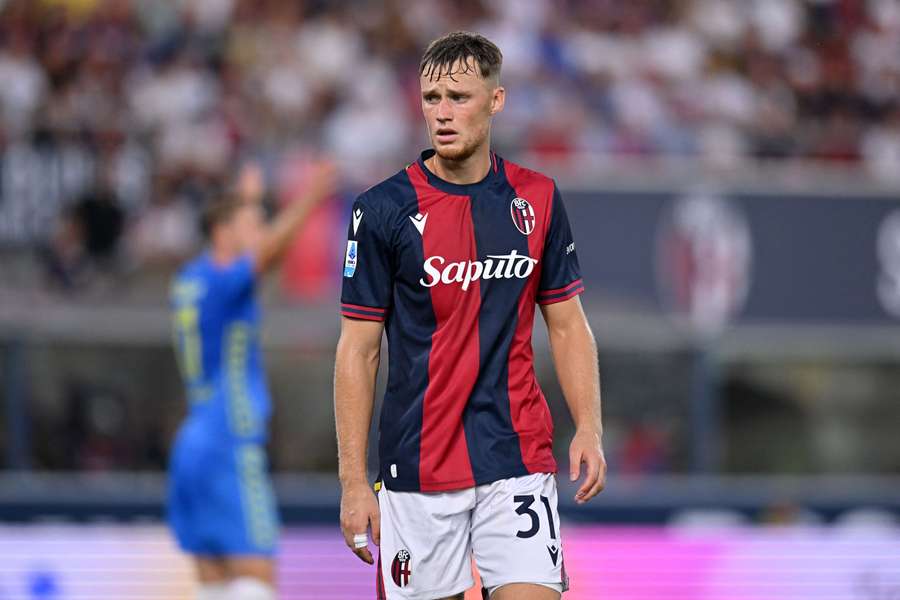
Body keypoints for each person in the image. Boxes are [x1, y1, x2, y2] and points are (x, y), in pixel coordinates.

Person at [334, 32, 606, 600]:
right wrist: (353, 482)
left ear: (496, 100)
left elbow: (567, 323)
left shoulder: (538, 200)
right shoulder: (382, 210)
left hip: (516, 454)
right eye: (431, 98)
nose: (442, 112)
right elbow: (357, 351)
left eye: (458, 96)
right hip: (417, 466)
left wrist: (589, 426)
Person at [168, 161, 335, 600]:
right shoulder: (226, 282)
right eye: (251, 224)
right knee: (256, 578)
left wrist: (246, 197)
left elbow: (252, 251)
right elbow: (268, 252)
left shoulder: (190, 280)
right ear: (224, 232)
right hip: (230, 441)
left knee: (214, 581)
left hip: (193, 443)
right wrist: (312, 198)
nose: (260, 231)